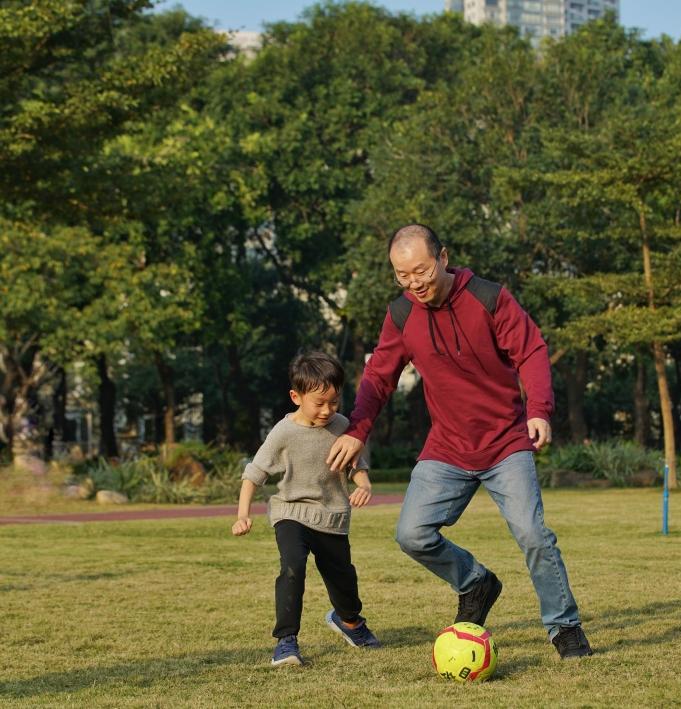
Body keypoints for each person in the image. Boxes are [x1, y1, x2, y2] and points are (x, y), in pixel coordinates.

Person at [327, 224, 592, 660]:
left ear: (444, 258)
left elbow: (531, 350)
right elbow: (379, 377)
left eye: (421, 271)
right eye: (402, 275)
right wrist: (357, 430)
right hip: (448, 447)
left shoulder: (488, 298)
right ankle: (475, 582)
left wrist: (539, 409)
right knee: (411, 534)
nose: (414, 283)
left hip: (505, 442)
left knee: (532, 534)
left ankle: (564, 626)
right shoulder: (402, 314)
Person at [233, 352, 381, 667]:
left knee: (343, 579)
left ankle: (349, 621)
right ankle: (286, 641)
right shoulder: (283, 432)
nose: (327, 410)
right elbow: (254, 474)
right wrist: (242, 515)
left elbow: (357, 466)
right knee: (293, 568)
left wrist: (364, 486)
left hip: (332, 517)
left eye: (334, 402)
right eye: (319, 403)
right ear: (296, 397)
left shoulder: (343, 426)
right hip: (290, 513)